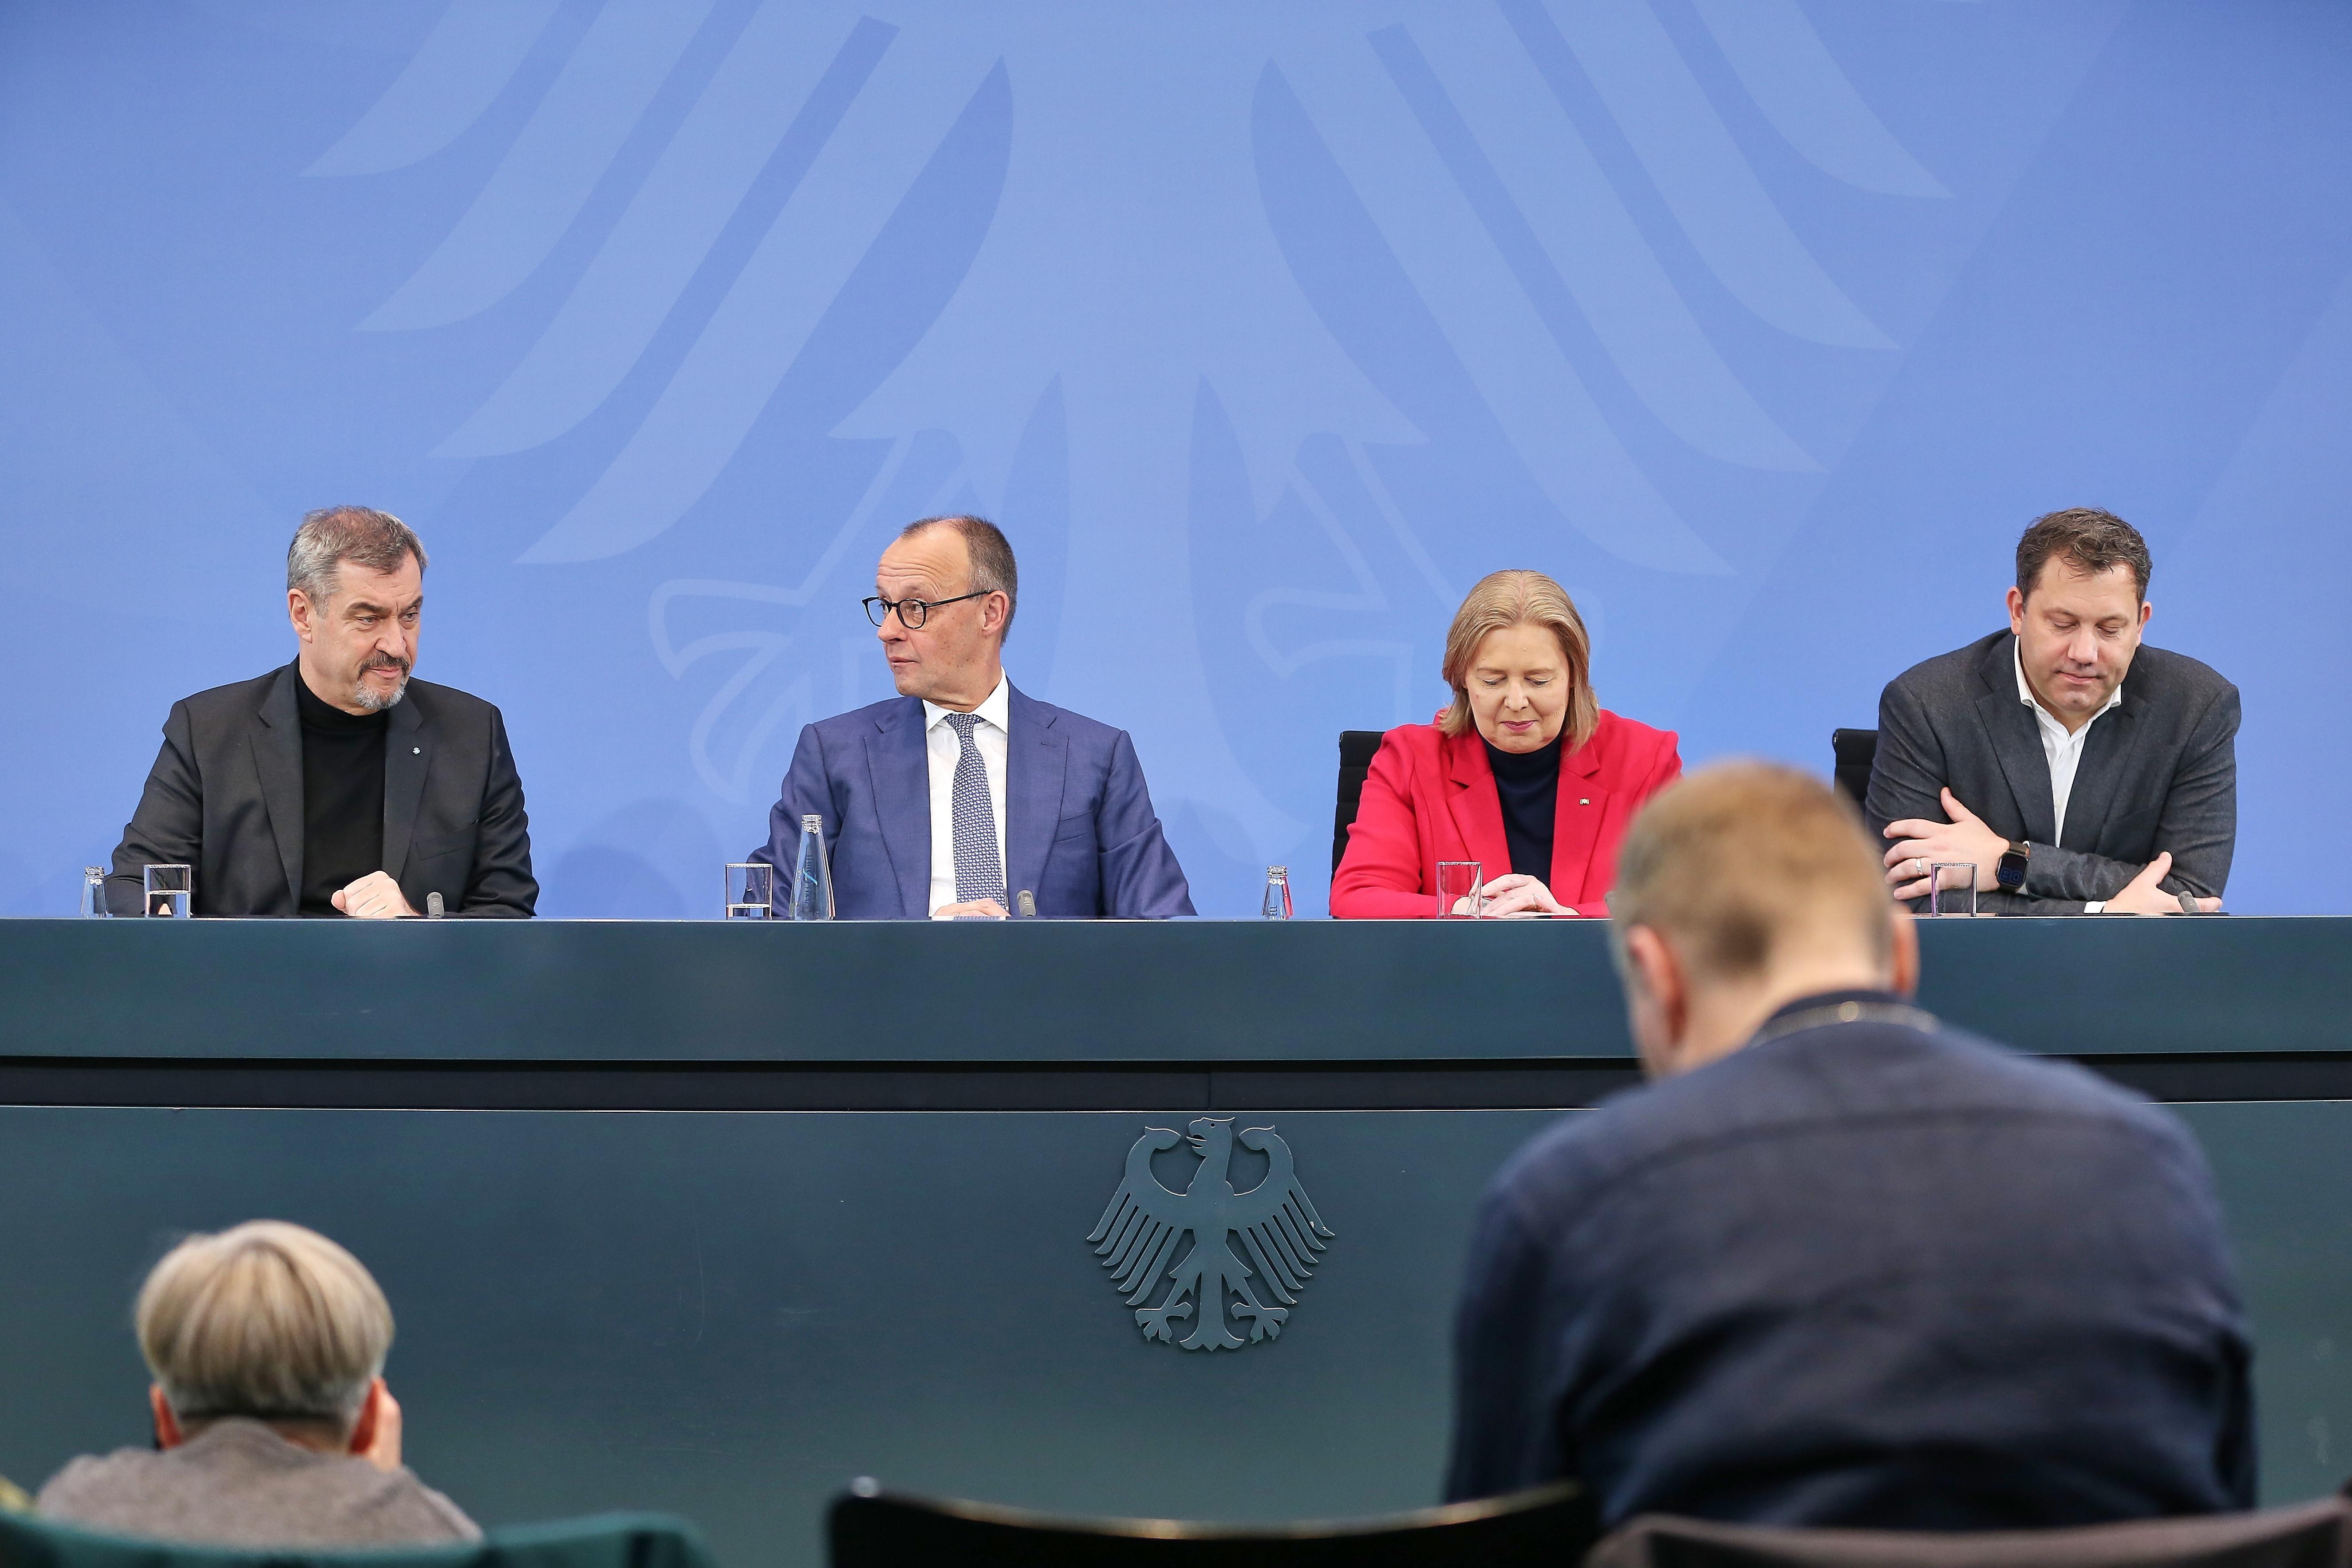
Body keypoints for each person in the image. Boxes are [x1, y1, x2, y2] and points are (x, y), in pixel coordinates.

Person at [1445, 762, 2254, 1530]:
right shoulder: (2147, 1165)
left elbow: (1501, 1536)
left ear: (1656, 975)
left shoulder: (1572, 1198)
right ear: (1903, 956)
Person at [105, 507, 536, 918]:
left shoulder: (472, 734)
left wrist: (417, 927)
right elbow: (134, 885)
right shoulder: (209, 731)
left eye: (410, 615)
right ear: (303, 614)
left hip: (407, 989)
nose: (397, 645)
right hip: (253, 988)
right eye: (368, 619)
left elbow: (507, 913)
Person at [754, 515, 1192, 919]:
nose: (887, 630)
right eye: (885, 606)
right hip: (888, 998)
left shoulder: (1094, 756)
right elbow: (773, 920)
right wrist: (918, 944)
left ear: (990, 613)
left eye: (915, 608)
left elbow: (1161, 927)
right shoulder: (836, 753)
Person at [1866, 508, 2236, 915]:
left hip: (2131, 974)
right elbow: (1911, 899)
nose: (2084, 653)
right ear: (2018, 611)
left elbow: (2189, 897)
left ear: (2141, 625)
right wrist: (2100, 915)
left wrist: (2011, 864)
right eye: (2062, 624)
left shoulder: (2196, 707)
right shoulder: (1927, 704)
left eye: (2110, 629)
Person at [37, 1220, 478, 1547]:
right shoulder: (430, 1535)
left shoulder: (77, 1513)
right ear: (368, 1421)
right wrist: (379, 1493)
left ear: (164, 1418)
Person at [1331, 570, 1680, 918]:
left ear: (1574, 677)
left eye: (1538, 680)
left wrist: (1563, 918)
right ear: (1462, 679)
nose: (1516, 701)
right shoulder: (1409, 760)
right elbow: (1359, 897)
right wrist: (1466, 910)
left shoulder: (1645, 759)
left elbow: (1687, 902)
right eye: (1493, 680)